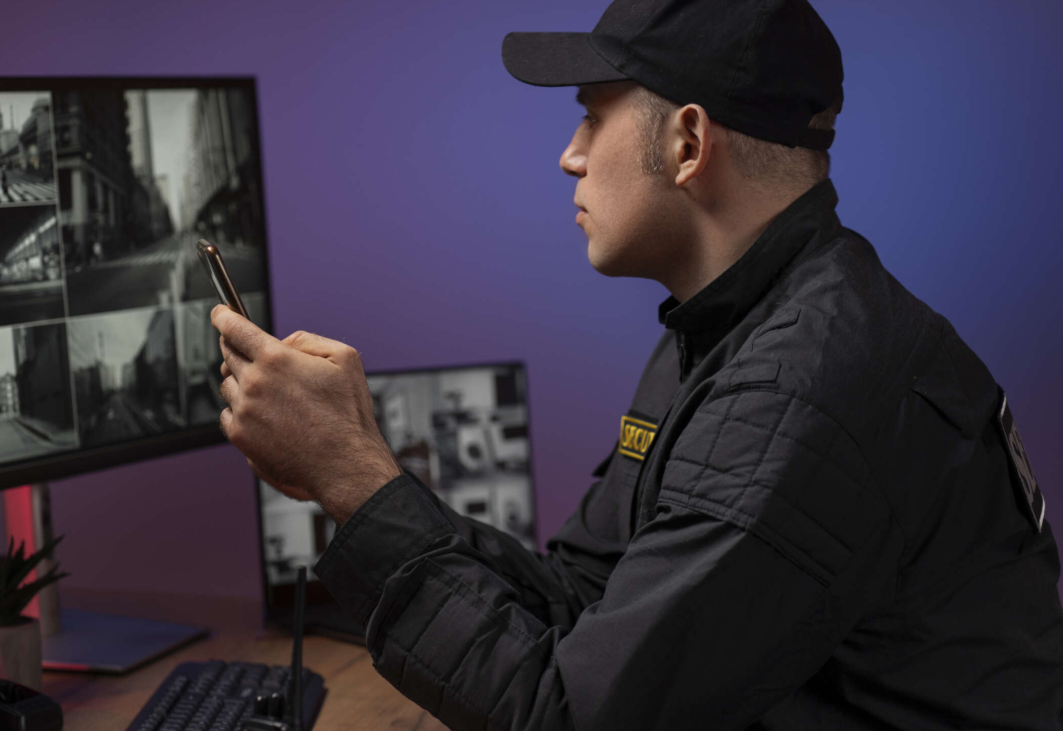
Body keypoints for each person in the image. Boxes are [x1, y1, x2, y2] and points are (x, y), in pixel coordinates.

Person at [210, 0, 1063, 728]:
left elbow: (572, 714)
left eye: (591, 115)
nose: (570, 154)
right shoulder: (733, 323)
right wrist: (363, 468)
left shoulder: (802, 391)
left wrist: (352, 482)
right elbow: (587, 597)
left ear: (688, 143)